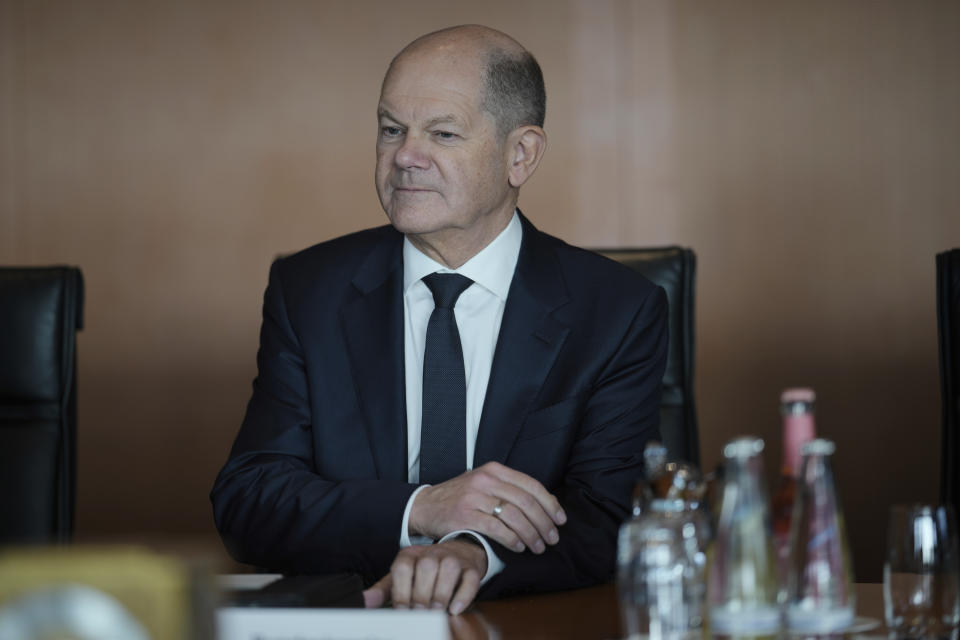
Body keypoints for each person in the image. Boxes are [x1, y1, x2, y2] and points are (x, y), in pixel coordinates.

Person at [211, 24, 668, 615]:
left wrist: (478, 550)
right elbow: (249, 501)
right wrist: (420, 508)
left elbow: (611, 514)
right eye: (391, 129)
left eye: (443, 134)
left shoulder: (615, 309)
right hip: (356, 618)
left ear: (520, 155)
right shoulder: (310, 290)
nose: (405, 156)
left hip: (527, 623)